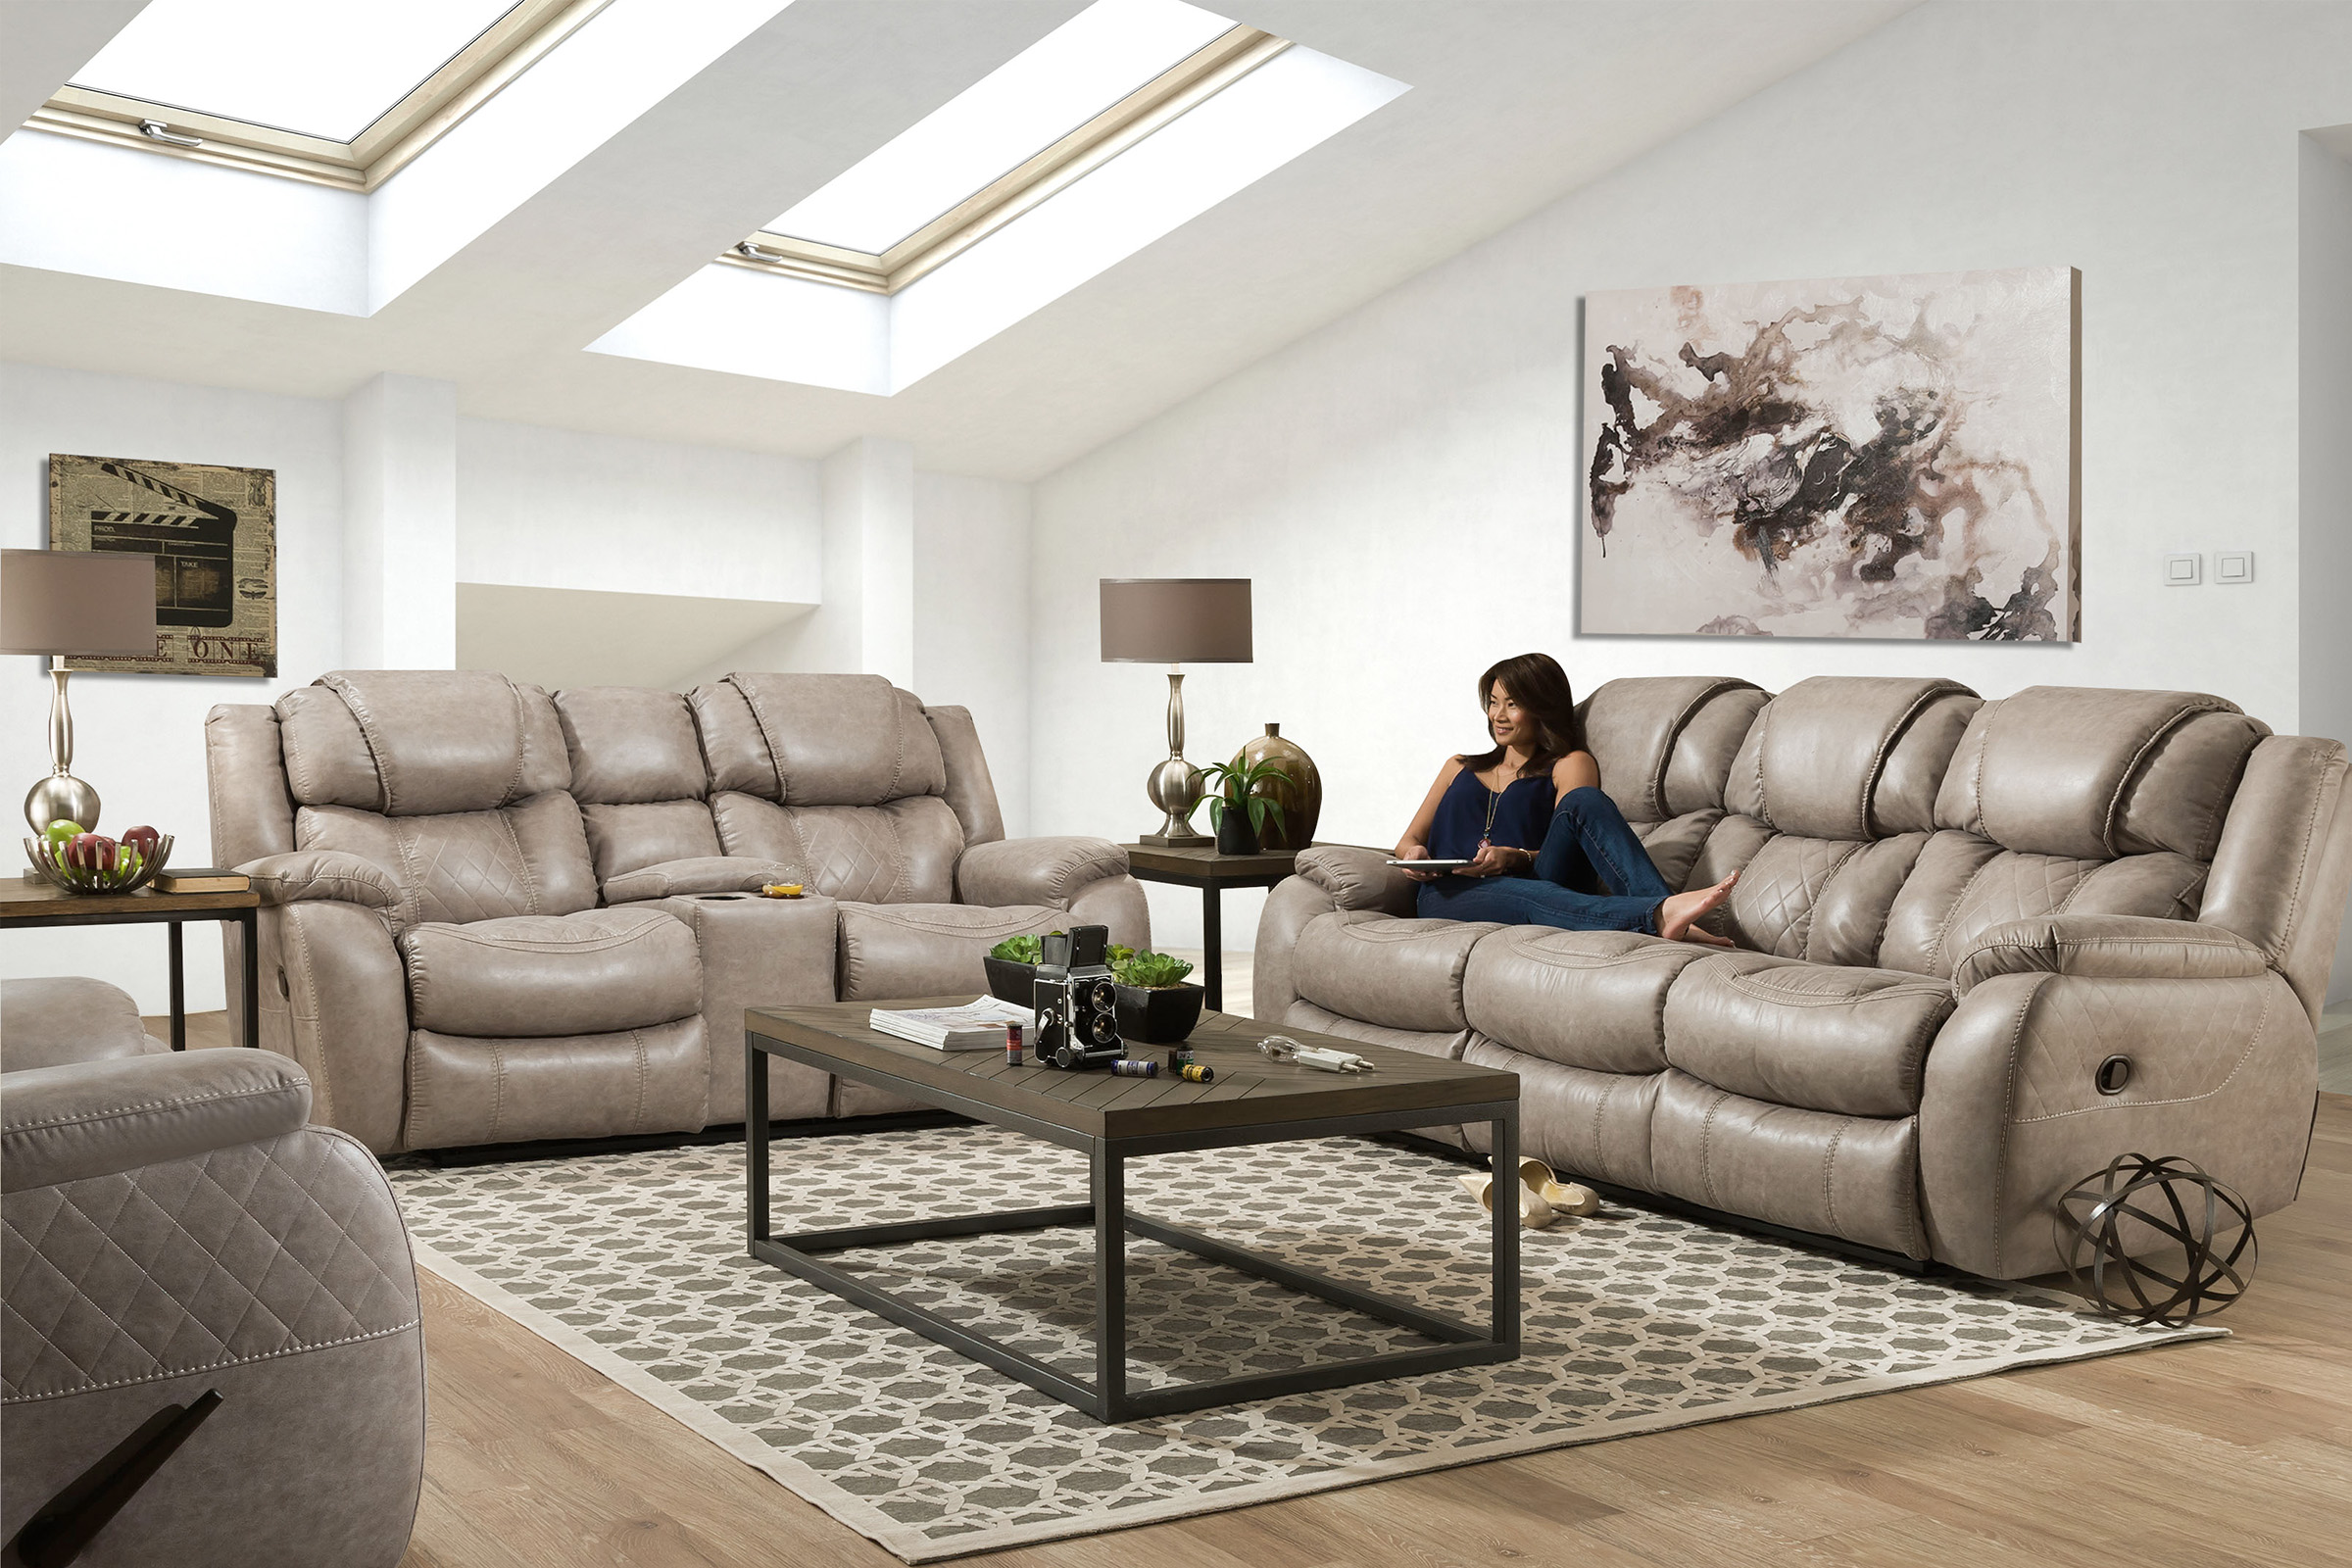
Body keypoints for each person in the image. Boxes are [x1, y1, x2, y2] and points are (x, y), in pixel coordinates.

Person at [1394, 653, 1737, 943]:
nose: (1498, 715)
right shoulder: (1458, 767)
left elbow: (1576, 851)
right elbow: (1408, 840)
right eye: (1494, 702)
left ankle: (1666, 911)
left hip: (1535, 879)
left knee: (1585, 801)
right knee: (1539, 898)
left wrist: (1515, 858)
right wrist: (1414, 855)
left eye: (1512, 705)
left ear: (1542, 708)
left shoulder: (1569, 764)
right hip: (1451, 894)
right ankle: (1663, 913)